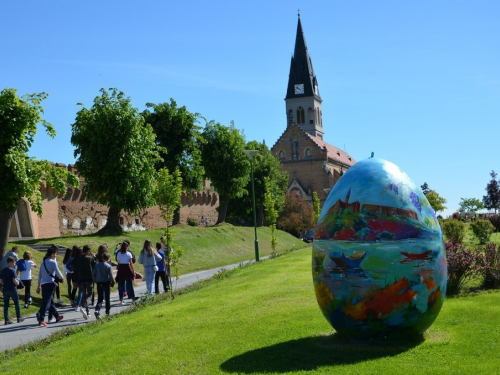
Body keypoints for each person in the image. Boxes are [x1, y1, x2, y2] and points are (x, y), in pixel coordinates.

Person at [36, 246, 64, 327]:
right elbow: (57, 271)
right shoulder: (52, 262)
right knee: (47, 302)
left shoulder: (43, 263)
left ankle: (57, 316)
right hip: (50, 284)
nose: (56, 255)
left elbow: (40, 275)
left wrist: (38, 286)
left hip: (44, 284)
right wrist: (62, 277)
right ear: (52, 254)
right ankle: (41, 319)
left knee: (51, 302)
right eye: (55, 254)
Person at [74, 245, 96, 320]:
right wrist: (94, 257)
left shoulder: (78, 260)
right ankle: (84, 304)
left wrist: (74, 281)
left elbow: (75, 271)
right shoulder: (90, 258)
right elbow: (96, 265)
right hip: (89, 279)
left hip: (81, 280)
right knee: (90, 294)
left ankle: (87, 311)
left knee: (84, 294)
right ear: (88, 251)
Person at [1, 257, 24, 324]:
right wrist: (18, 283)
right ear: (10, 262)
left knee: (6, 304)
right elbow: (14, 280)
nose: (14, 264)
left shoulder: (3, 270)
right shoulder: (12, 270)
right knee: (16, 303)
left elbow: (1, 281)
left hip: (5, 289)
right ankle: (19, 317)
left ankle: (6, 319)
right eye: (14, 262)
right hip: (12, 289)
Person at [92, 250, 114, 319]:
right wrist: (112, 281)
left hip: (99, 282)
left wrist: (95, 280)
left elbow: (93, 274)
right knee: (107, 298)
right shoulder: (108, 266)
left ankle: (97, 309)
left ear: (102, 257)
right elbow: (111, 276)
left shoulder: (97, 265)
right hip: (106, 282)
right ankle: (107, 312)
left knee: (100, 298)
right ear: (108, 259)